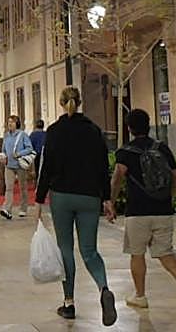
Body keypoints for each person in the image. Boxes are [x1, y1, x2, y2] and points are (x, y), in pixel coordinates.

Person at [34, 86, 117, 326]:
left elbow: (46, 169)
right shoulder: (94, 132)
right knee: (89, 250)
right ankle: (103, 288)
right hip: (89, 197)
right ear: (80, 103)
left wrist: (39, 201)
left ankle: (69, 302)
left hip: (62, 197)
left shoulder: (54, 132)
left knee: (65, 249)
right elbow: (104, 167)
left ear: (61, 103)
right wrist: (107, 198)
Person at [111, 109, 176, 313]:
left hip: (137, 211)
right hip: (162, 209)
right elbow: (175, 176)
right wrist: (171, 197)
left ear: (129, 128)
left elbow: (117, 178)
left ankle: (140, 295)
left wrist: (111, 201)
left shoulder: (125, 152)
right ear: (148, 125)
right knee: (165, 252)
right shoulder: (162, 148)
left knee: (137, 254)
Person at [0, 114, 35, 219]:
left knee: (22, 187)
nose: (9, 124)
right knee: (9, 188)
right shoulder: (6, 136)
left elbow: (29, 148)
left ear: (17, 124)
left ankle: (23, 208)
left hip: (20, 165)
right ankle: (7, 209)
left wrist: (19, 153)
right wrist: (3, 156)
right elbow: (3, 149)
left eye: (12, 122)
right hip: (9, 165)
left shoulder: (22, 135)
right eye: (8, 122)